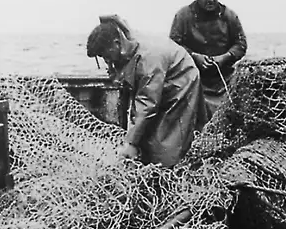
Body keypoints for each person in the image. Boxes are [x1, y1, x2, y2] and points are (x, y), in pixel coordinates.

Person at [87, 15, 207, 167]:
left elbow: (147, 104)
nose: (106, 60)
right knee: (144, 133)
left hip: (181, 79)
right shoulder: (125, 43)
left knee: (167, 140)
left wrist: (130, 143)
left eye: (105, 55)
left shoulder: (148, 59)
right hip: (160, 75)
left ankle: (168, 170)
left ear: (116, 44)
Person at [169, 0, 248, 118]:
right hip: (192, 78)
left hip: (224, 79)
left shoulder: (229, 16)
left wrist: (225, 57)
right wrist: (194, 56)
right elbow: (174, 45)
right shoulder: (183, 16)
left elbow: (241, 44)